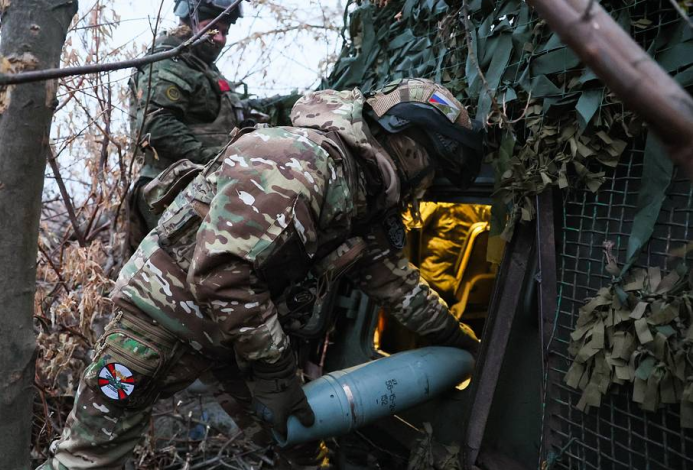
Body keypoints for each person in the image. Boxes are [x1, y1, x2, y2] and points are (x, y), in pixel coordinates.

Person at [37, 78, 485, 469]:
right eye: (434, 172)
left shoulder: (358, 194)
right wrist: (275, 373)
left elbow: (392, 281)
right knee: (87, 459)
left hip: (238, 337)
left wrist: (458, 339)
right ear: (410, 147)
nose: (428, 188)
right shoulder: (299, 160)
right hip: (160, 326)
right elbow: (224, 273)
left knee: (303, 449)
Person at [126, 0, 245, 248]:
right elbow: (156, 126)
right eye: (212, 29)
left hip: (197, 191)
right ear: (188, 22)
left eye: (225, 31)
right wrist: (216, 161)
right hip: (168, 193)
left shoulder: (201, 67)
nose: (221, 38)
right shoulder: (169, 61)